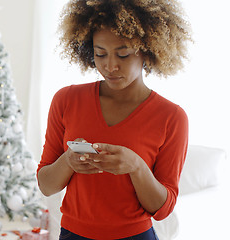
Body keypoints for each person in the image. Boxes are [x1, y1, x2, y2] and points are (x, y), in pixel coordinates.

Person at [36, 0, 192, 239]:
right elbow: (46, 186)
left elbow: (162, 209)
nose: (110, 66)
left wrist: (136, 167)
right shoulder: (66, 100)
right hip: (72, 235)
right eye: (100, 54)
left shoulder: (172, 117)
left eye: (123, 54)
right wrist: (68, 161)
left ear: (148, 50)